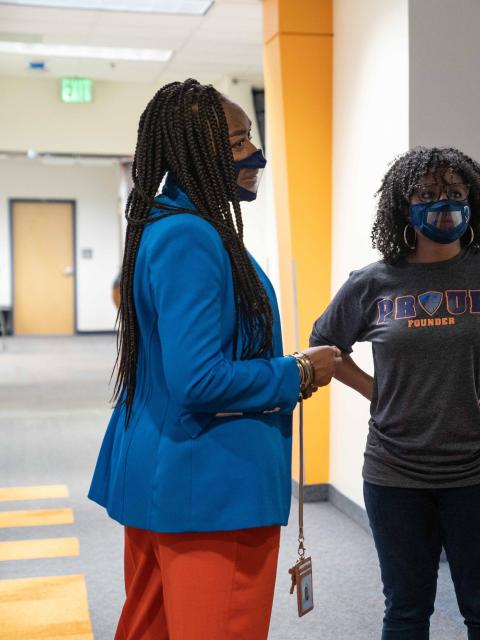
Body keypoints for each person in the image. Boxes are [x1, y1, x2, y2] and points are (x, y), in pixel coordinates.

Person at [88, 79, 341, 640]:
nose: (256, 156)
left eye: (249, 137)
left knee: (151, 628)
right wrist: (297, 372)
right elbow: (198, 379)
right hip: (211, 487)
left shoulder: (168, 225)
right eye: (234, 144)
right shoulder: (192, 238)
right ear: (190, 154)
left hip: (171, 478)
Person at [309, 146, 480, 640]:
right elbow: (325, 346)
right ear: (404, 205)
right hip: (395, 472)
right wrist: (375, 392)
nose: (441, 204)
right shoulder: (373, 283)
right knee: (405, 611)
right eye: (425, 194)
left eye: (454, 193)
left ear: (474, 202)